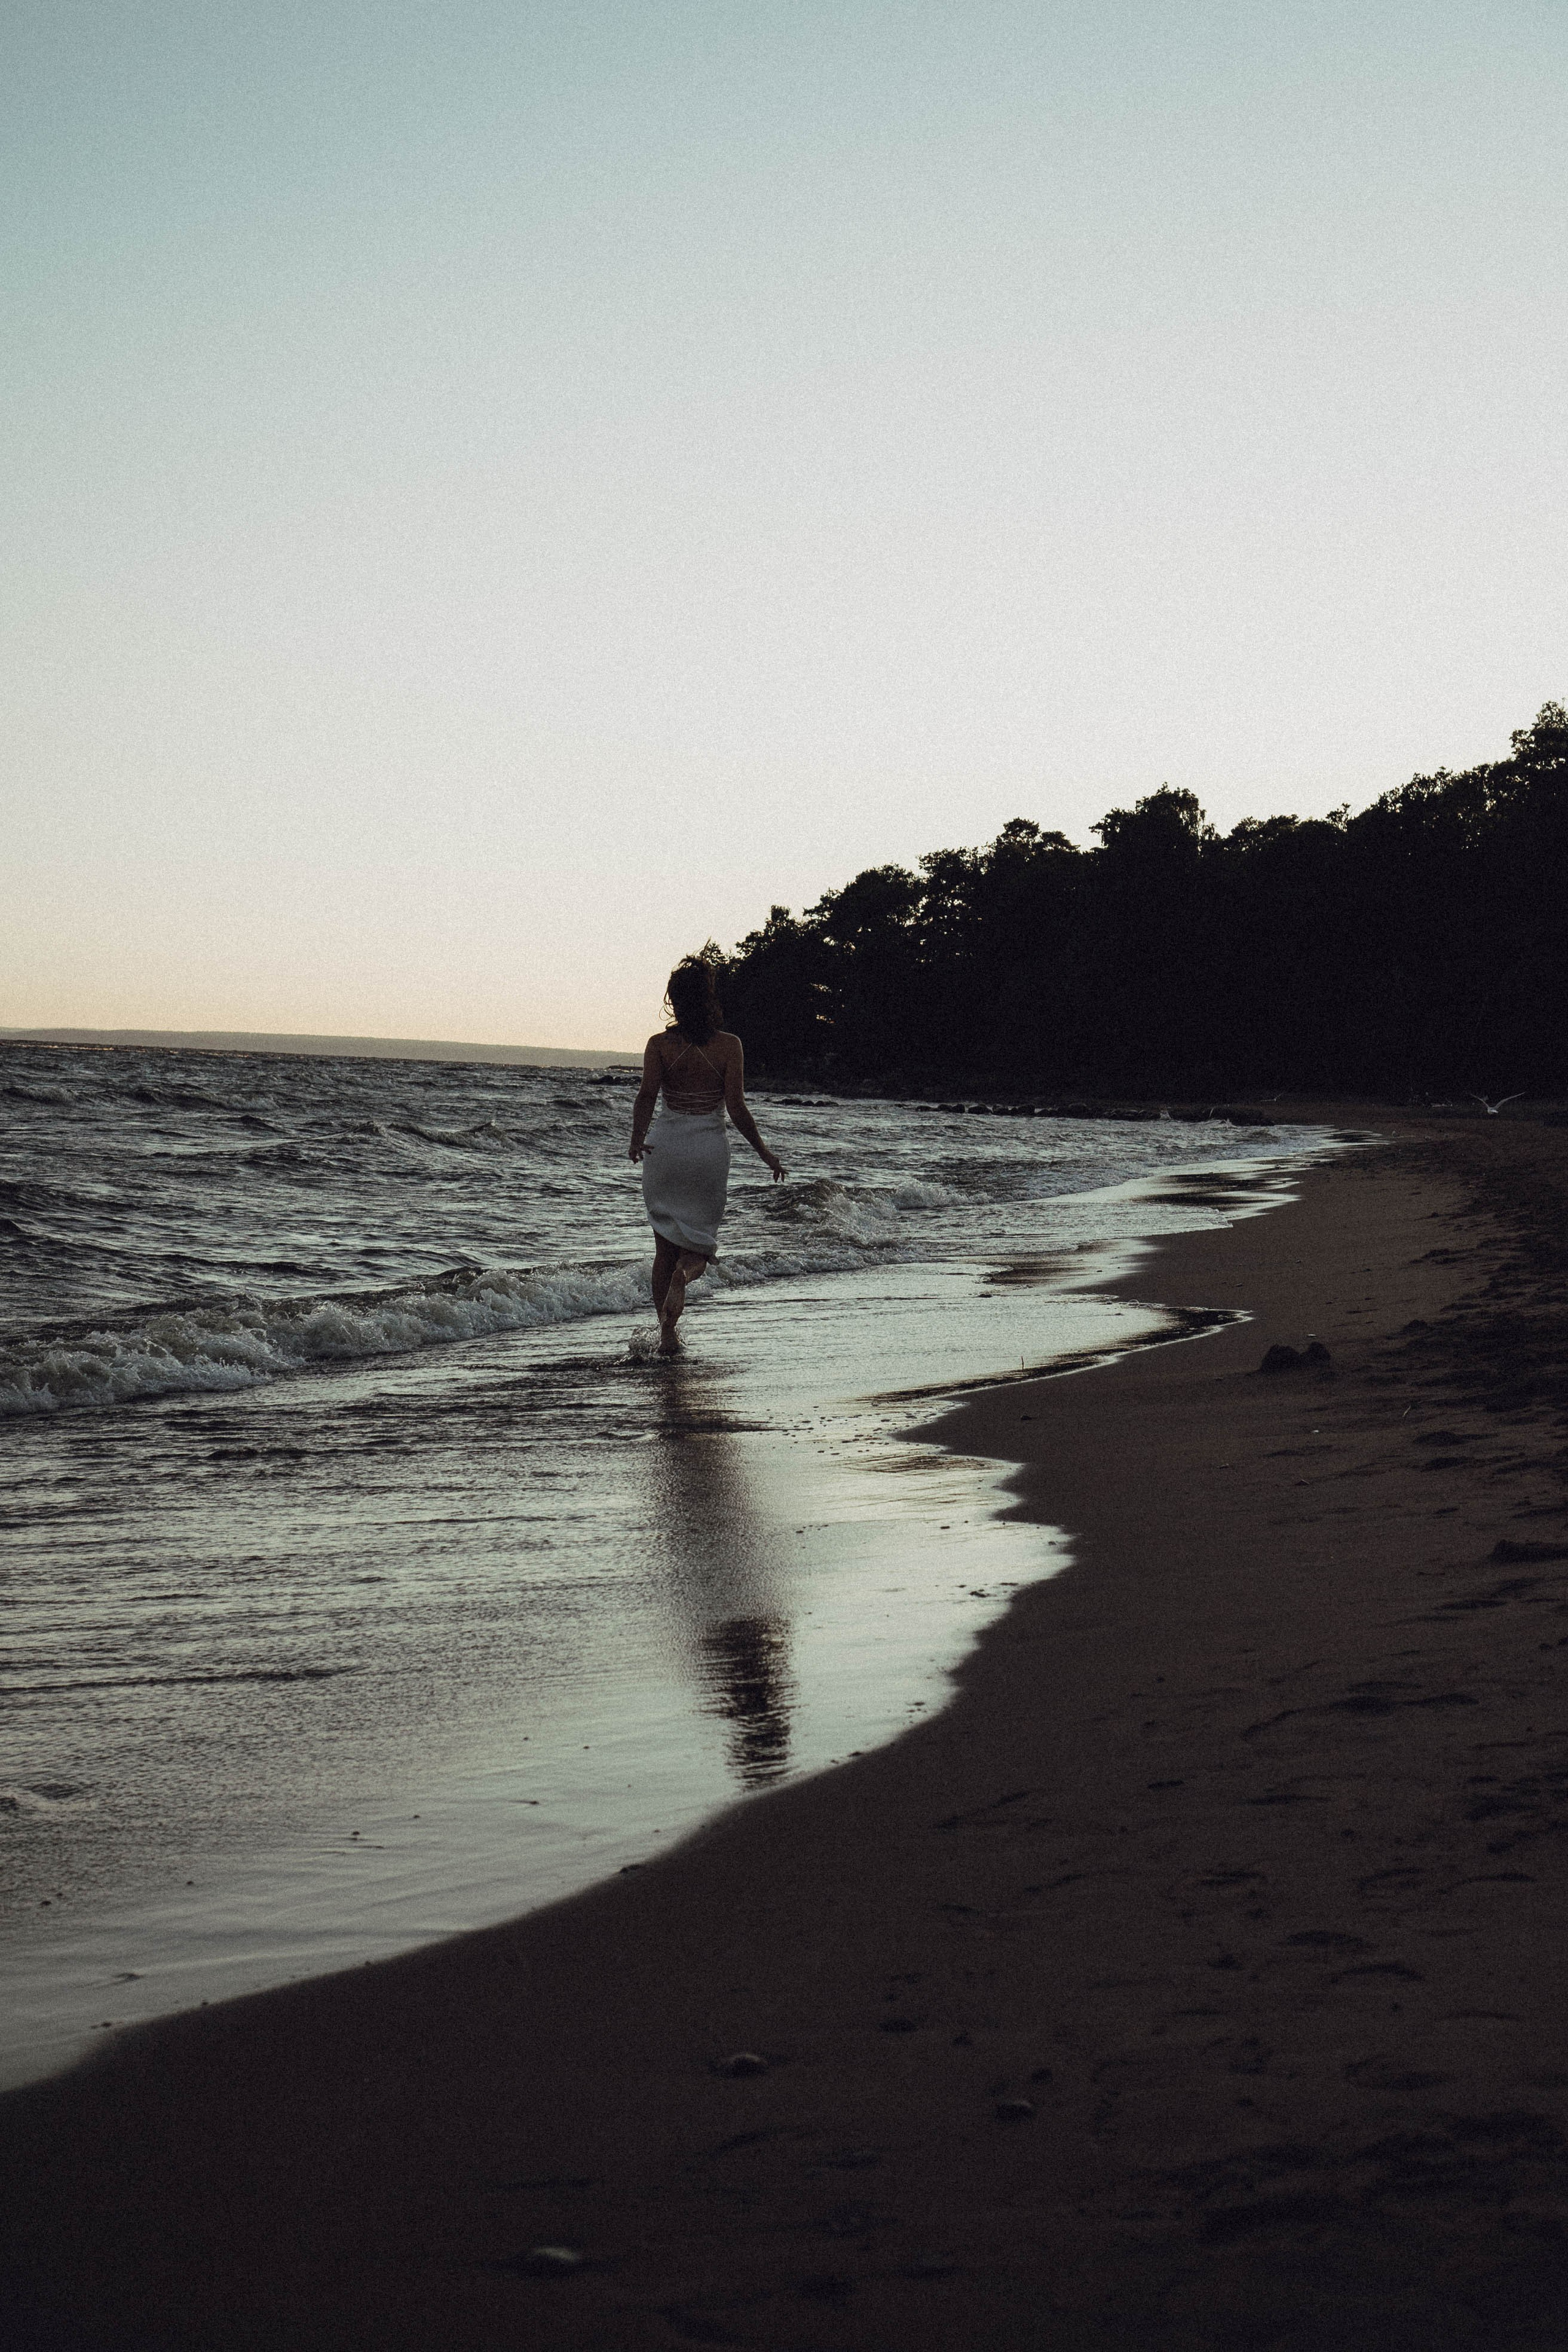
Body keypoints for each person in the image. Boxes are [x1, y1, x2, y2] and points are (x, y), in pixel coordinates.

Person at [629, 957, 785, 1352]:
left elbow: (646, 1096)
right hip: (708, 1151)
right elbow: (737, 1108)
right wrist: (765, 1153)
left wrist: (636, 1139)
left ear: (674, 1000)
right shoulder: (730, 1045)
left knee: (663, 1248)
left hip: (664, 1148)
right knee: (697, 1246)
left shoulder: (659, 1045)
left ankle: (666, 1335)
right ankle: (685, 1275)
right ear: (709, 998)